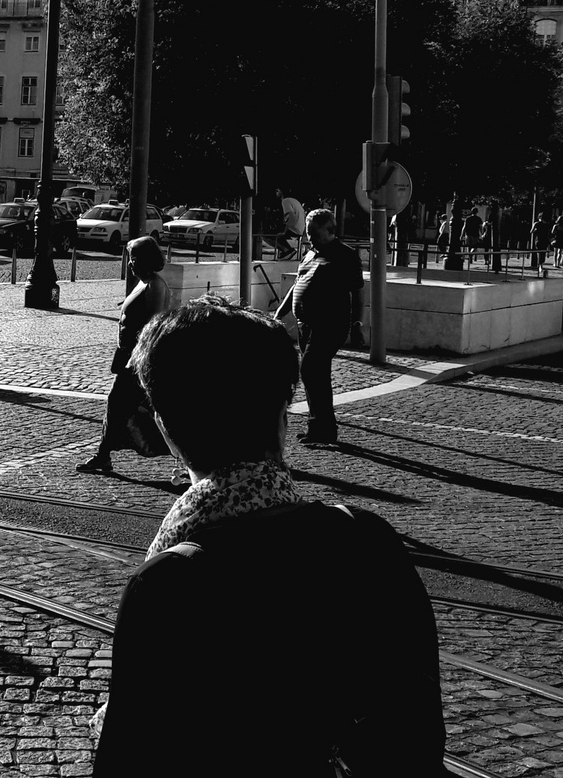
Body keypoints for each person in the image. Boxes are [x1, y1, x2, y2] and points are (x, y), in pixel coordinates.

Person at [92, 297, 447, 777]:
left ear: (165, 428)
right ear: (284, 413)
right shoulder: (369, 539)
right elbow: (418, 729)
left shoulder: (165, 585)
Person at [78, 236, 172, 476]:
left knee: (128, 404)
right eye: (130, 259)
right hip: (128, 356)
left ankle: (105, 454)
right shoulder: (142, 283)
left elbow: (152, 326)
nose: (130, 264)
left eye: (134, 259)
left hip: (139, 359)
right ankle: (104, 454)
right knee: (121, 405)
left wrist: (138, 360)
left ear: (146, 260)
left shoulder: (155, 286)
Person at [276, 210, 364, 446]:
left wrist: (357, 324)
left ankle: (323, 428)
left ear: (330, 230)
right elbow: (297, 284)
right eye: (308, 233)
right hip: (307, 325)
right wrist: (280, 313)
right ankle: (318, 428)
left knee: (311, 370)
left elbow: (357, 291)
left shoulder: (345, 255)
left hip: (330, 324)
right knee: (315, 375)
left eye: (315, 233)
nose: (310, 238)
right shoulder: (309, 253)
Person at [277, 188, 305, 259]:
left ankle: (287, 250)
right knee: (277, 233)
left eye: (277, 191)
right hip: (300, 229)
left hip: (294, 229)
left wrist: (284, 231)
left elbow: (292, 216)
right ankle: (285, 250)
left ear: (281, 192)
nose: (276, 193)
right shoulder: (295, 201)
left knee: (267, 235)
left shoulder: (285, 201)